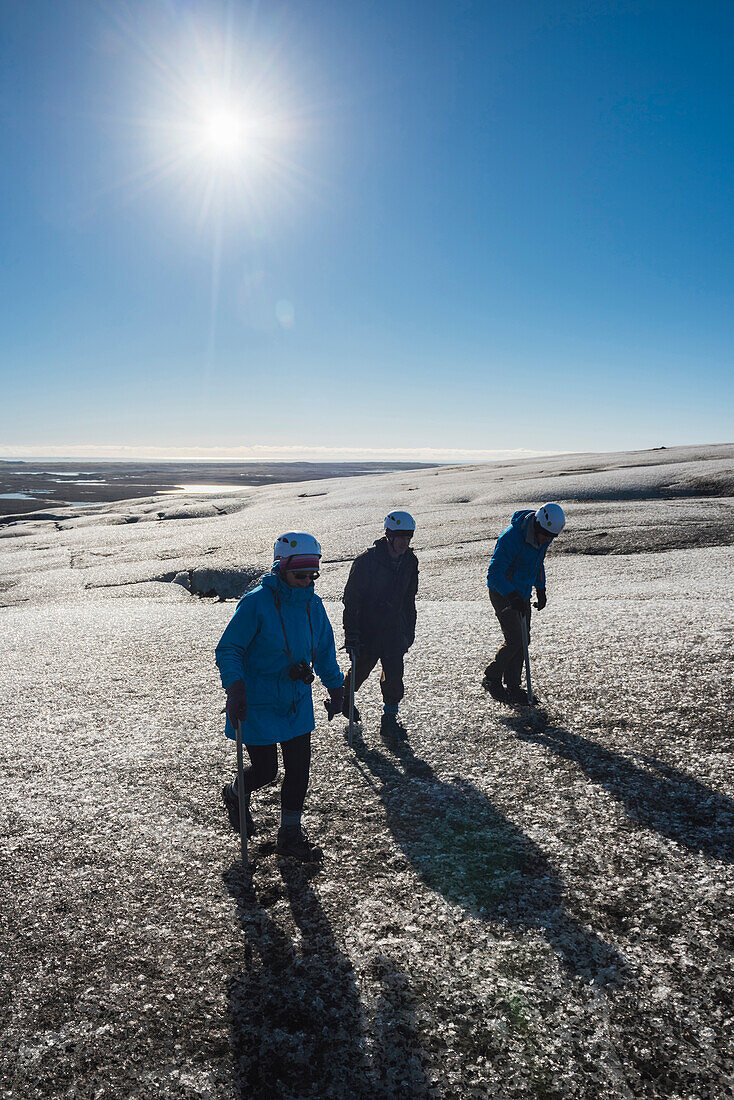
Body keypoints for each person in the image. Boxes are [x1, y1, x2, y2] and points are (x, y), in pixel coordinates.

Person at [216, 532, 344, 861]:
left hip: (295, 701)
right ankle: (234, 792)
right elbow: (230, 648)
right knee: (266, 771)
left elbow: (325, 650)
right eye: (299, 574)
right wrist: (235, 686)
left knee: (299, 771)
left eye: (311, 575)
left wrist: (336, 686)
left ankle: (290, 835)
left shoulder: (313, 606)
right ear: (280, 568)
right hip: (256, 702)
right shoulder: (256, 603)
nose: (306, 581)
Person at [341, 511, 419, 735]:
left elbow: (409, 598)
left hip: (394, 629)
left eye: (408, 537)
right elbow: (352, 600)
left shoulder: (410, 561)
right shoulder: (367, 561)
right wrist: (352, 634)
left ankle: (390, 716)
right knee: (360, 670)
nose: (405, 542)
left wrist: (409, 628)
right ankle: (345, 699)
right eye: (401, 537)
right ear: (389, 535)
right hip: (369, 629)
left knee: (394, 675)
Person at [483, 503, 566, 706]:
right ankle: (491, 678)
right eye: (545, 535)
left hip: (522, 593)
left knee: (524, 640)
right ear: (537, 524)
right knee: (515, 639)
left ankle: (513, 687)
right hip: (503, 592)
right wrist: (511, 596)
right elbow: (494, 575)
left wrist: (541, 588)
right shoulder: (511, 538)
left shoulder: (544, 535)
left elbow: (538, 563)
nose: (547, 540)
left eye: (551, 537)